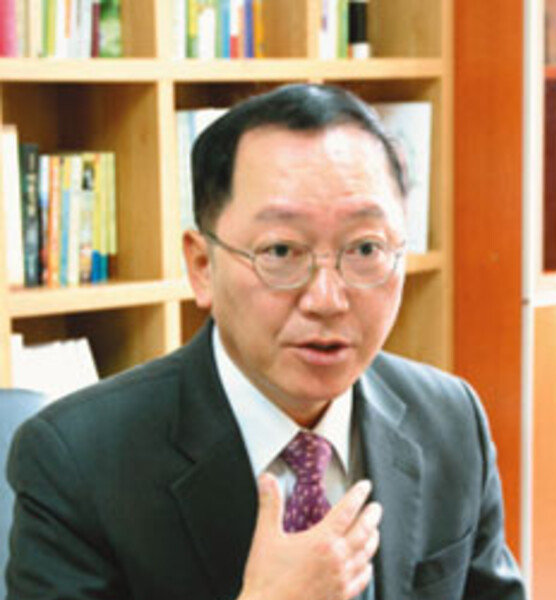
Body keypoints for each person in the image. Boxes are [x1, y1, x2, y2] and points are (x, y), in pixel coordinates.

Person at [5, 84, 526, 600]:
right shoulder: (77, 462)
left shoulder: (450, 421)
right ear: (202, 266)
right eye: (280, 251)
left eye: (366, 248)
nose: (327, 299)